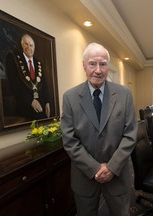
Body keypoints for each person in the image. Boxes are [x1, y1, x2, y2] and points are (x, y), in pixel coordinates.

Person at [61, 43, 138, 216]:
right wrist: (95, 168)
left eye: (103, 64)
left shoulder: (124, 95)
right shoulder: (70, 98)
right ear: (83, 65)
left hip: (117, 175)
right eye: (92, 63)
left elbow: (130, 135)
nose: (98, 70)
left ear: (108, 67)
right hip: (84, 178)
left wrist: (111, 167)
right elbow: (69, 140)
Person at [5, 34, 50, 120]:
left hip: (41, 107)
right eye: (26, 44)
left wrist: (47, 101)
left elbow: (44, 84)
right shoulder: (15, 60)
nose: (29, 47)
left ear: (34, 48)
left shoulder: (38, 63)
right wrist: (30, 101)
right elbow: (15, 85)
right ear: (22, 45)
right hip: (25, 109)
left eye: (31, 45)